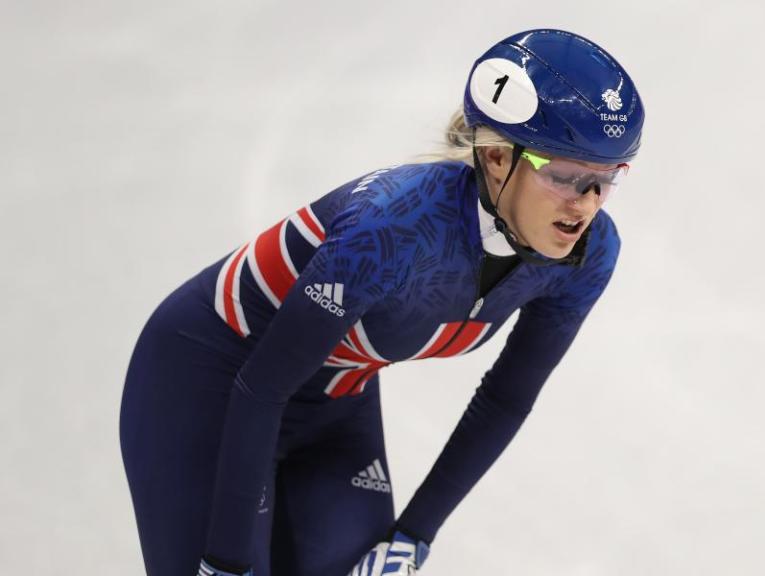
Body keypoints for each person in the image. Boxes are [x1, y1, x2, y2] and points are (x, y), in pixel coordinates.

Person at [119, 28, 644, 576]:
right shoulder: (394, 225)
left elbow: (505, 400)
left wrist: (415, 535)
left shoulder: (588, 255)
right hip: (212, 383)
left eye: (607, 180)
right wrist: (226, 563)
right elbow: (261, 387)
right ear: (494, 158)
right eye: (565, 175)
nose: (586, 204)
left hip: (335, 400)